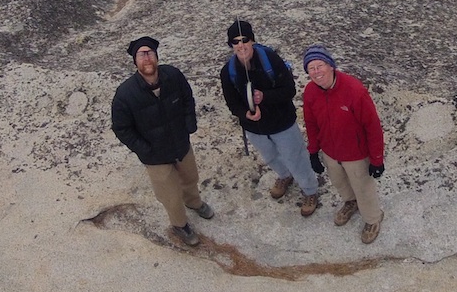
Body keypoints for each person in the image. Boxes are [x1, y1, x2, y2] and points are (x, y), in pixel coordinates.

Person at [110, 36, 214, 246]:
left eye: (149, 53)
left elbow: (187, 98)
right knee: (170, 195)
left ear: (156, 56)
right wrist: (144, 150)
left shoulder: (173, 76)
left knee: (190, 177)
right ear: (135, 61)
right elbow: (121, 128)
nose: (147, 58)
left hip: (180, 144)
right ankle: (180, 225)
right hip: (155, 156)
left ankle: (194, 203)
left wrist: (189, 124)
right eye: (142, 54)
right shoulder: (125, 94)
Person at [220, 20, 319, 217]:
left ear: (252, 40)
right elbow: (232, 103)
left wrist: (265, 97)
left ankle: (310, 191)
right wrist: (244, 114)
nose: (241, 45)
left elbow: (289, 89)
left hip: (282, 123)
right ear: (231, 45)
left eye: (244, 39)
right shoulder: (228, 72)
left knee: (296, 157)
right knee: (271, 156)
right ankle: (284, 176)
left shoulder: (270, 60)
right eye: (235, 41)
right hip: (254, 128)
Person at [301, 44, 386, 244]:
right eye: (311, 68)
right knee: (340, 183)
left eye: (320, 65)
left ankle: (373, 218)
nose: (316, 72)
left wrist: (376, 159)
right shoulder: (311, 92)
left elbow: (373, 127)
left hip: (356, 154)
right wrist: (313, 151)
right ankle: (351, 202)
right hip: (331, 152)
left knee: (363, 187)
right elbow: (311, 123)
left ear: (331, 66)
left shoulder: (355, 91)